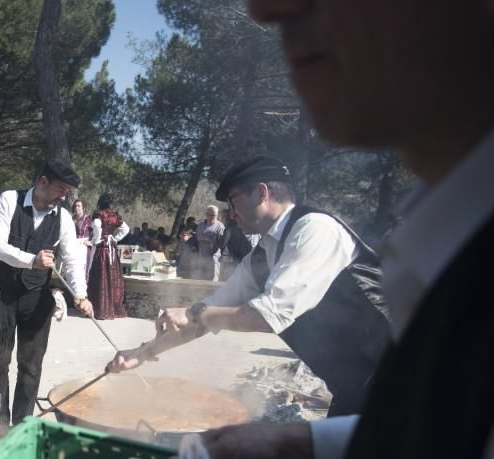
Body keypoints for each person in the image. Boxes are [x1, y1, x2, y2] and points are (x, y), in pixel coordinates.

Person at [192, 1, 494, 459]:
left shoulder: (316, 232)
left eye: (238, 200)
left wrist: (195, 320)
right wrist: (286, 440)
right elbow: (448, 436)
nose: (264, 9)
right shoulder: (453, 241)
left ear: (267, 193)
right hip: (367, 400)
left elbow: (255, 316)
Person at [109, 155, 392, 417]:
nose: (231, 213)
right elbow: (208, 314)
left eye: (233, 201)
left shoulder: (315, 229)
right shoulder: (259, 258)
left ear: (261, 193)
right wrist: (141, 354)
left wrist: (193, 313)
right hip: (354, 389)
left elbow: (266, 315)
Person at [0, 159, 93, 425]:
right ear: (42, 182)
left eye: (67, 192)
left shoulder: (63, 217)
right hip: (0, 293)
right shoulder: (10, 200)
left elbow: (72, 259)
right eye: (60, 189)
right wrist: (31, 259)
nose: (64, 196)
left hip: (37, 296)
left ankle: (22, 425)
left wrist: (81, 294)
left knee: (31, 365)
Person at [87, 193, 129, 320]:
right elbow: (126, 229)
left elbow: (96, 226)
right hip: (111, 250)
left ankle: (101, 309)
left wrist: (96, 239)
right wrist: (115, 239)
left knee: (100, 277)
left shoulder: (99, 214)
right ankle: (113, 309)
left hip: (102, 250)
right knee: (112, 277)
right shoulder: (114, 215)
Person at [193, 205, 225, 280]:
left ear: (217, 215)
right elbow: (195, 239)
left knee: (212, 280)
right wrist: (187, 239)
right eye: (209, 215)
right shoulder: (200, 225)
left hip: (214, 259)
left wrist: (209, 239)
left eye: (214, 215)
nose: (211, 217)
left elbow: (222, 243)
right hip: (200, 257)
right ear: (206, 214)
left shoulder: (220, 227)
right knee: (199, 279)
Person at [72, 198, 94, 278]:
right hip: (74, 245)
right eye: (75, 206)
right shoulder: (72, 219)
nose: (76, 208)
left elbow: (97, 231)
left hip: (84, 247)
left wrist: (91, 241)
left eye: (79, 206)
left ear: (83, 208)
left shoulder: (89, 219)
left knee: (84, 270)